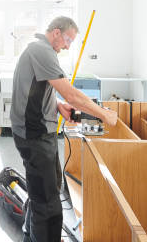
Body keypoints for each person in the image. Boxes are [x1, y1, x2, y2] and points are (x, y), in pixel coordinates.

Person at [11, 16, 118, 242]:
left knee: (42, 189)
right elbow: (72, 94)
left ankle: (30, 234)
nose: (68, 45)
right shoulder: (43, 51)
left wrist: (58, 106)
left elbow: (37, 89)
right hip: (35, 135)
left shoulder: (38, 49)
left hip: (35, 131)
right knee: (48, 201)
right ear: (56, 32)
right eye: (68, 39)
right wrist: (105, 115)